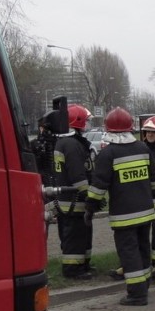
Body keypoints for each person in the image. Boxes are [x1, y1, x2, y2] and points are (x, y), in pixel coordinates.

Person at [85, 107, 155, 306]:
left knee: (129, 252)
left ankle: (136, 294)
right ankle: (145, 284)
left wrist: (90, 207)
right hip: (146, 211)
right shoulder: (144, 149)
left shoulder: (107, 154)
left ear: (109, 130)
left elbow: (99, 186)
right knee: (143, 248)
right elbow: (154, 180)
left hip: (124, 215)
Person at [109, 116, 155, 281]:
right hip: (142, 202)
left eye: (153, 132)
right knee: (136, 237)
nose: (150, 135)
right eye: (147, 131)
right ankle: (131, 266)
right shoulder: (140, 149)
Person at [54, 104, 95, 279]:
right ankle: (72, 270)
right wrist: (89, 195)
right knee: (75, 236)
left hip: (69, 199)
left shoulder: (66, 142)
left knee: (81, 234)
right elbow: (78, 174)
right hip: (74, 200)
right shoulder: (71, 144)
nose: (87, 125)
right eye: (85, 121)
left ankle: (83, 265)